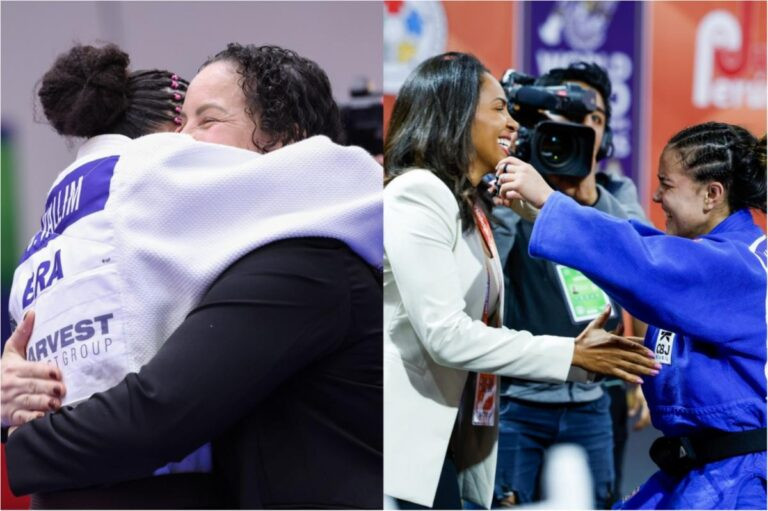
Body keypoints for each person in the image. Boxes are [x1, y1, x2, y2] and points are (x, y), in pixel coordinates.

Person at [4, 43, 383, 509]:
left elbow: (155, 414)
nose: (180, 142)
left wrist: (22, 438)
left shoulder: (304, 261)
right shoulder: (226, 262)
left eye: (207, 121)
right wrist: (22, 387)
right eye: (180, 123)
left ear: (287, 140)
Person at [383, 52, 660, 510]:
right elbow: (446, 335)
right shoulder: (419, 192)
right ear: (455, 115)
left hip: (452, 436)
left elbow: (615, 257)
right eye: (499, 109)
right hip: (409, 441)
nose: (513, 124)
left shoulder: (471, 203)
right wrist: (570, 353)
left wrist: (548, 203)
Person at [495, 121, 766, 509]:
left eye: (666, 185)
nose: (655, 196)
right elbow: (641, 245)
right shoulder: (729, 254)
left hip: (735, 481)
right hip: (702, 470)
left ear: (712, 194)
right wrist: (541, 216)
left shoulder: (735, 265)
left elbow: (641, 262)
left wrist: (549, 201)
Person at [490, 61, 648, 509]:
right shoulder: (513, 184)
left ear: (607, 134)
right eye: (567, 116)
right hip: (518, 396)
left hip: (592, 397)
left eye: (592, 118)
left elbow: (641, 270)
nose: (580, 128)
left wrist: (587, 197)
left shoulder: (615, 192)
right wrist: (520, 194)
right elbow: (486, 273)